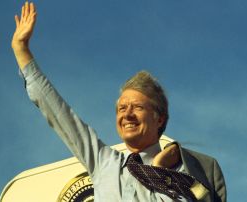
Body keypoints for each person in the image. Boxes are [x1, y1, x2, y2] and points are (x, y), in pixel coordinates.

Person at [12, 2, 226, 202]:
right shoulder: (104, 162)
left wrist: (159, 172)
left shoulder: (187, 168)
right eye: (122, 108)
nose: (127, 114)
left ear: (159, 118)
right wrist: (22, 51)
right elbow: (59, 113)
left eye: (137, 107)